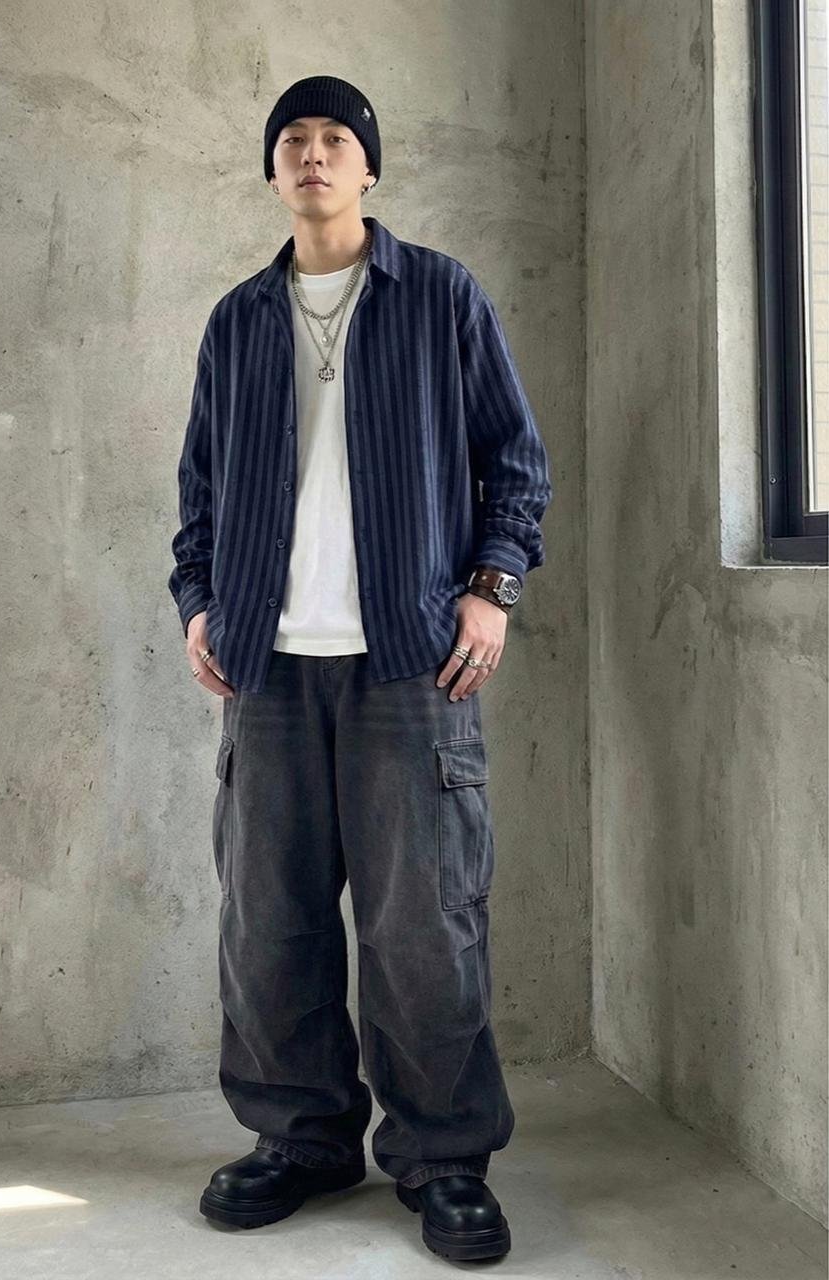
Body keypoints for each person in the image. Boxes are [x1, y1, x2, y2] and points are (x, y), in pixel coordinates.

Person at [168, 75, 552, 1264]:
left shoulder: (439, 296)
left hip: (409, 666)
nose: (314, 153)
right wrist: (197, 603)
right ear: (272, 168)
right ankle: (301, 1138)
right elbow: (199, 490)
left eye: (336, 137)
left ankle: (442, 1157)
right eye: (294, 138)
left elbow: (515, 461)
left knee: (422, 927)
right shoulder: (237, 320)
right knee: (268, 924)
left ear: (368, 166)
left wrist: (490, 591)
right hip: (267, 671)